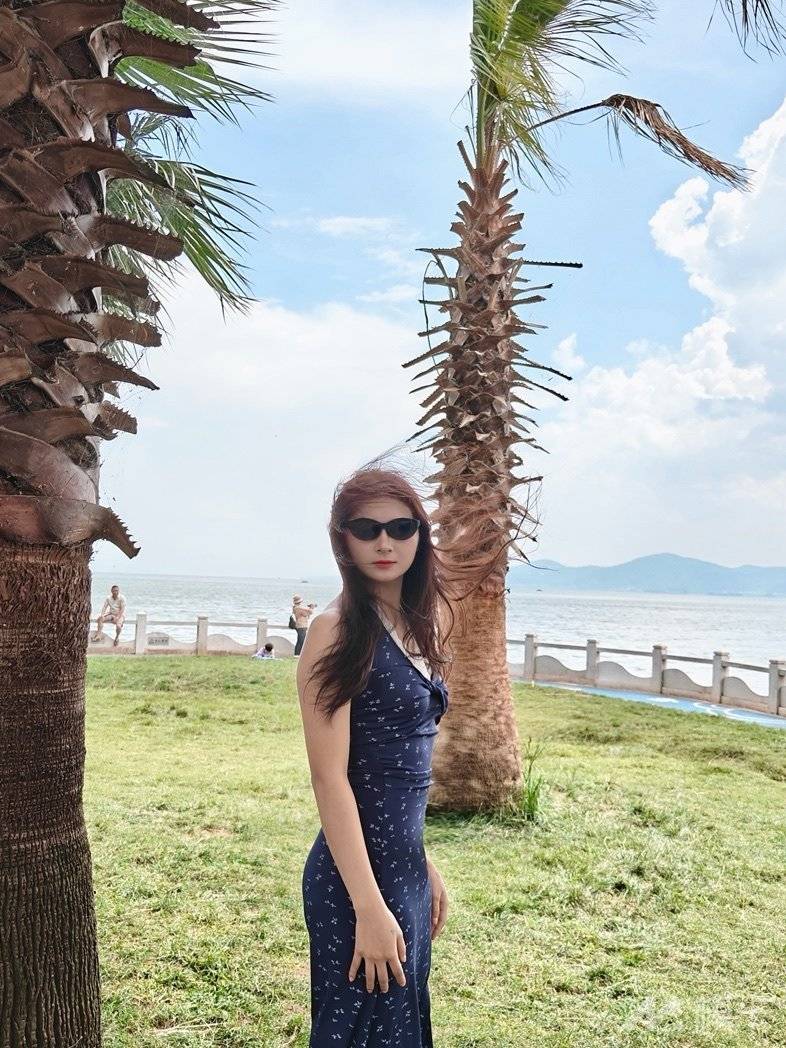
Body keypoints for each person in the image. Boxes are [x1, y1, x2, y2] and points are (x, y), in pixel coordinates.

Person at [297, 466, 452, 1046]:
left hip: (401, 869)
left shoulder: (416, 623)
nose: (385, 542)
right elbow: (331, 779)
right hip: (355, 882)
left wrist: (421, 863)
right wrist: (368, 907)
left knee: (402, 1026)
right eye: (366, 529)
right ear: (343, 540)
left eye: (400, 527)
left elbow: (399, 778)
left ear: (420, 536)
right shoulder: (334, 629)